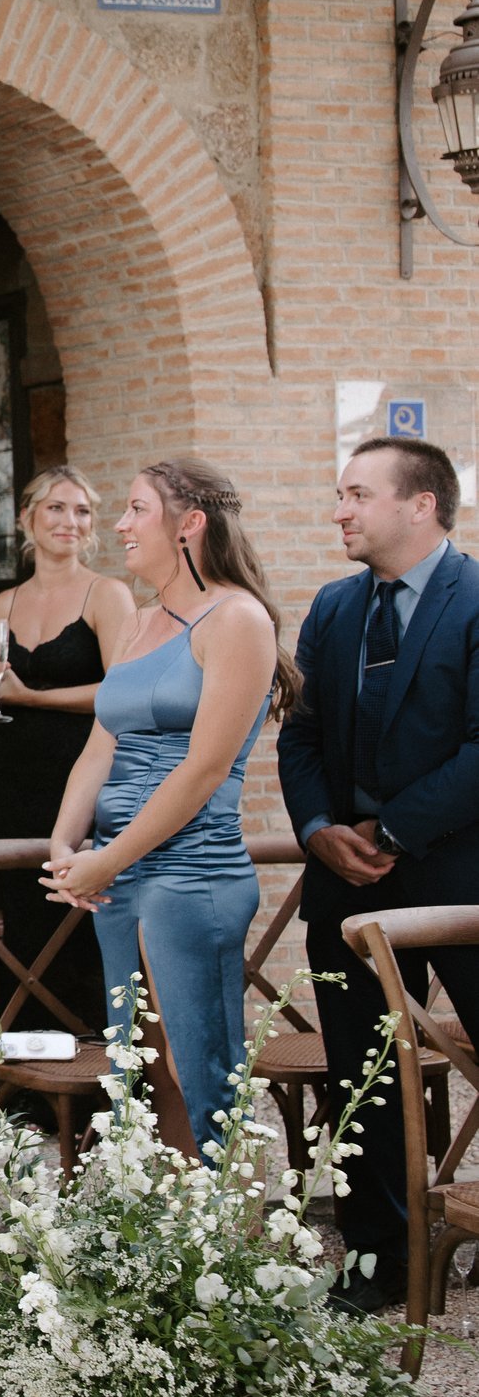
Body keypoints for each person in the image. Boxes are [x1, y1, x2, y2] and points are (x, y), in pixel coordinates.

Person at [278, 436, 479, 1314]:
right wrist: (320, 828)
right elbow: (300, 736)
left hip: (462, 877)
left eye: (357, 494)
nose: (341, 511)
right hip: (345, 886)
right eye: (339, 495)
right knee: (359, 1074)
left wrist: (393, 828)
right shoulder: (331, 607)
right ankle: (379, 1259)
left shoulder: (477, 600)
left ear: (421, 504)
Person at [42, 458, 292, 1156]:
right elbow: (100, 747)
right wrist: (66, 845)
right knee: (138, 1064)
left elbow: (205, 766)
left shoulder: (238, 618)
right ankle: (159, 1237)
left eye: (135, 509)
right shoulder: (138, 620)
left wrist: (108, 859)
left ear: (190, 524)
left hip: (190, 871)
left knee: (199, 1066)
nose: (118, 525)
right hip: (114, 872)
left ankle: (231, 1248)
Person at [0, 467, 136, 1032]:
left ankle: (99, 1075)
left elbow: (124, 689)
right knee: (25, 915)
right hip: (14, 772)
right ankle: (33, 1075)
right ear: (27, 520)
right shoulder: (2, 604)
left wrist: (30, 696)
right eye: (57, 509)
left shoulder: (107, 594)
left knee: (83, 914)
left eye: (82, 511)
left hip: (82, 771)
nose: (71, 521)